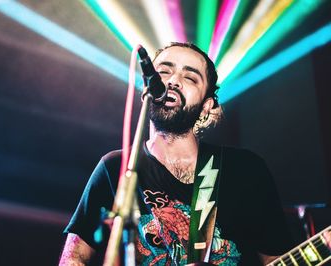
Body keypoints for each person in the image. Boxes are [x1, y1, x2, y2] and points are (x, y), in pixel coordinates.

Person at [59, 42, 294, 265]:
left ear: (207, 106)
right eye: (163, 72)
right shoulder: (117, 167)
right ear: (147, 87)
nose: (173, 81)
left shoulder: (246, 170)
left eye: (190, 77)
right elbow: (73, 257)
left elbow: (275, 258)